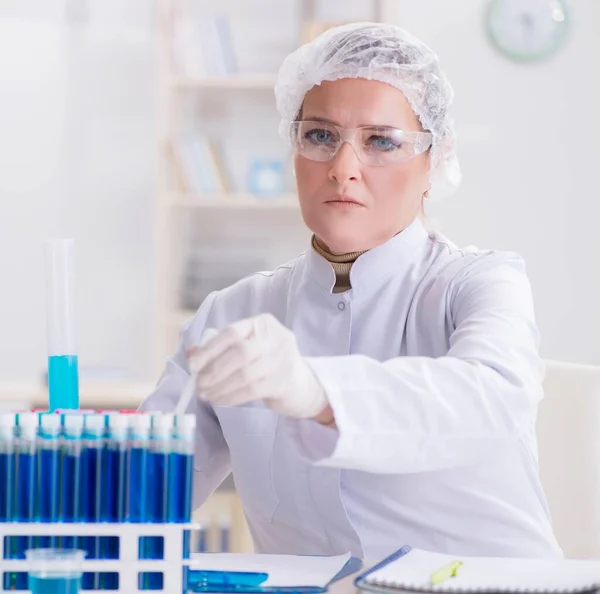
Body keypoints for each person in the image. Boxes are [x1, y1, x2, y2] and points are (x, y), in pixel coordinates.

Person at [140, 22, 561, 559]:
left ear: (434, 160)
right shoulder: (234, 313)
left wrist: (316, 389)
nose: (343, 169)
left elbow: (491, 400)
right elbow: (149, 489)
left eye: (381, 142)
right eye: (319, 136)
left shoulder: (480, 283)